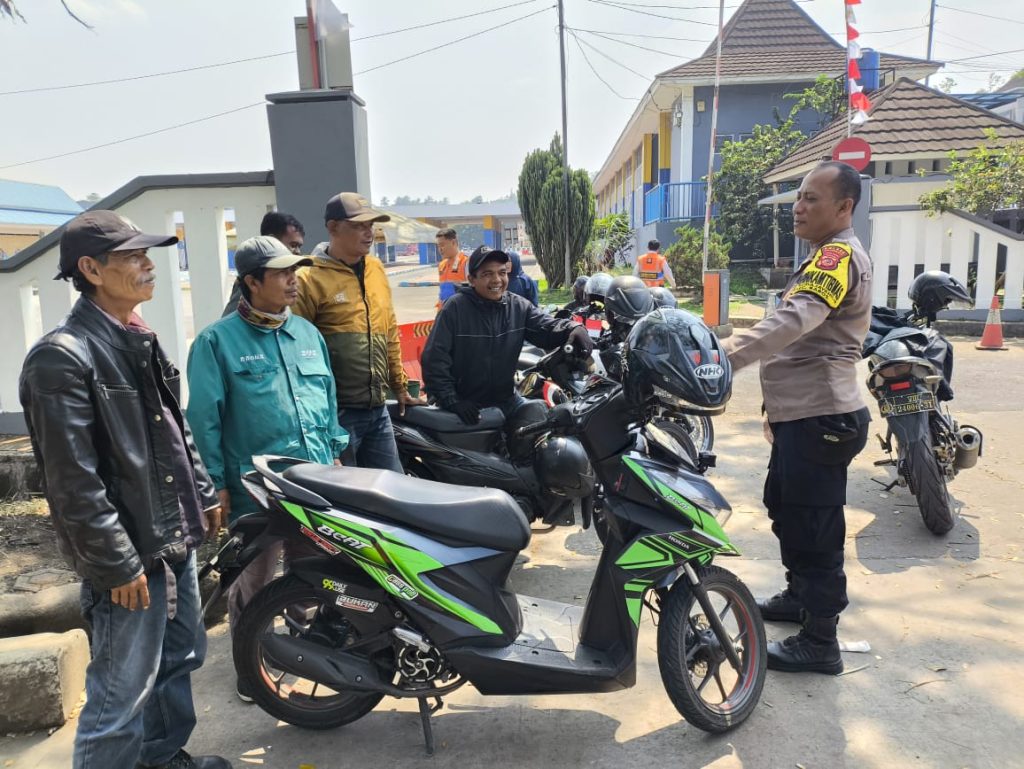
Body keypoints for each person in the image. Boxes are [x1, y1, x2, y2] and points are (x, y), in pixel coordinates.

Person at [19, 211, 231, 769]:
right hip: (132, 555)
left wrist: (203, 490)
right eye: (133, 256)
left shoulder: (136, 336)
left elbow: (172, 426)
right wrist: (116, 564)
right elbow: (72, 481)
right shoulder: (63, 356)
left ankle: (158, 759)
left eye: (146, 253)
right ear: (91, 269)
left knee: (178, 660)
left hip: (172, 537)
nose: (148, 264)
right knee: (121, 695)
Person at [720, 161, 873, 675]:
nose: (798, 208)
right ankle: (798, 597)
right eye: (797, 198)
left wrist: (722, 356)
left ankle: (820, 640)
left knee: (815, 526)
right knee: (785, 507)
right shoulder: (821, 256)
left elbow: (795, 320)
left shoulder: (835, 256)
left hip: (821, 416)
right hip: (801, 416)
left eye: (810, 198)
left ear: (844, 207)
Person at [185, 236, 349, 700]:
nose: (292, 282)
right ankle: (250, 662)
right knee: (253, 580)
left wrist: (334, 452)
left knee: (311, 571)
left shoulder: (307, 335)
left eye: (293, 272)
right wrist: (215, 484)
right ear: (251, 282)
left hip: (312, 478)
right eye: (281, 274)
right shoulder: (216, 342)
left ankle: (299, 650)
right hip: (253, 487)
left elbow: (328, 400)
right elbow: (203, 421)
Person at [293, 192, 424, 472]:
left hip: (377, 411)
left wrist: (399, 386)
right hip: (338, 415)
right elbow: (296, 355)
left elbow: (388, 331)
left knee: (394, 490)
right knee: (348, 500)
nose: (370, 233)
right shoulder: (308, 278)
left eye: (372, 226)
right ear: (333, 228)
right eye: (360, 226)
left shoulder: (376, 269)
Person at [422, 246, 592, 423]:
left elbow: (546, 327)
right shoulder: (455, 308)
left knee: (543, 421)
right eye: (487, 274)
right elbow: (434, 359)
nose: (497, 280)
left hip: (507, 400)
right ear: (472, 279)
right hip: (464, 404)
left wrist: (574, 328)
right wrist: (452, 401)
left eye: (502, 273)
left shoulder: (518, 306)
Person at [221, 211, 306, 317]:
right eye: (293, 245)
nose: (298, 252)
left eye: (292, 271)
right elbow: (230, 326)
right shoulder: (253, 275)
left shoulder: (306, 330)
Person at [434, 227, 468, 311]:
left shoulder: (466, 263)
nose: (440, 249)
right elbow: (442, 292)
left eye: (442, 245)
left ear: (453, 243)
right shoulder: (442, 265)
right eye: (438, 246)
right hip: (444, 312)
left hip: (460, 312)